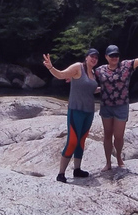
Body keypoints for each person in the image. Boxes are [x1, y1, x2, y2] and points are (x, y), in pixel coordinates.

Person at [43, 49, 100, 183]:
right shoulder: (77, 67)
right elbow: (61, 75)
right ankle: (61, 173)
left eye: (96, 58)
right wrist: (51, 67)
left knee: (81, 140)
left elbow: (92, 90)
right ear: (86, 57)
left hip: (89, 111)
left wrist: (106, 88)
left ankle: (77, 169)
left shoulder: (93, 74)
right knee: (72, 141)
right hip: (76, 110)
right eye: (92, 56)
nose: (94, 59)